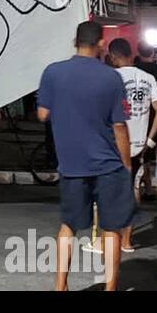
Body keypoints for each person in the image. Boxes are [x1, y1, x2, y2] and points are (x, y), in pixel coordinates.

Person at [37, 21, 133, 291]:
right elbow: (119, 126)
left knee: (68, 226)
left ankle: (60, 286)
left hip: (72, 164)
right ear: (101, 43)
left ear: (74, 41)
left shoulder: (53, 73)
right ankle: (110, 287)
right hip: (107, 164)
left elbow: (43, 114)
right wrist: (126, 163)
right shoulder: (111, 78)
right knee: (111, 228)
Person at [107, 38, 157, 252]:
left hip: (115, 144)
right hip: (140, 145)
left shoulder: (112, 78)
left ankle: (111, 236)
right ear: (130, 54)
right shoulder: (147, 78)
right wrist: (150, 139)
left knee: (111, 191)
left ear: (112, 57)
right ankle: (127, 241)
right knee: (133, 188)